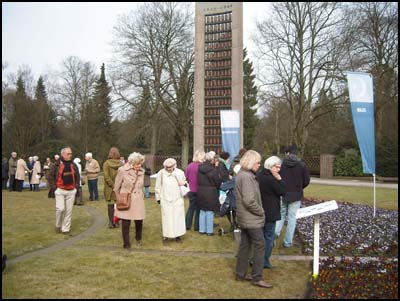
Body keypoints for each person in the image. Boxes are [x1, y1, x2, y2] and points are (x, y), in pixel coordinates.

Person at [234, 150, 272, 288]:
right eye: (257, 162)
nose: (259, 165)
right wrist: (261, 211)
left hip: (245, 217)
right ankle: (257, 277)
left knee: (245, 245)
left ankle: (240, 273)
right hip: (251, 218)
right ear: (250, 162)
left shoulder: (243, 174)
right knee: (260, 245)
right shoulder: (247, 177)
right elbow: (249, 200)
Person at [275, 145, 310, 248]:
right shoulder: (302, 165)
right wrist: (300, 187)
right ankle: (287, 242)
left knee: (281, 215)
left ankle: (274, 234)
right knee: (292, 218)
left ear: (287, 153)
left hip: (283, 193)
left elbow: (277, 178)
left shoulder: (281, 164)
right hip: (296, 195)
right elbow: (306, 181)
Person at [258, 156, 286, 269]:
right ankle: (264, 260)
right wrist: (279, 178)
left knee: (259, 237)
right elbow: (283, 191)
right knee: (269, 236)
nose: (279, 170)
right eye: (277, 167)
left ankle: (255, 259)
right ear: (271, 167)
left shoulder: (259, 175)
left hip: (259, 210)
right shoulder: (272, 179)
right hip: (270, 211)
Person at [114, 152, 146, 249]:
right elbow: (116, 187)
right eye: (137, 163)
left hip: (138, 199)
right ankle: (126, 243)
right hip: (126, 199)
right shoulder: (122, 170)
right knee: (126, 222)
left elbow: (141, 186)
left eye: (140, 163)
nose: (139, 165)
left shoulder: (142, 171)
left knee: (139, 220)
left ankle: (138, 238)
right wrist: (119, 198)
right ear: (132, 163)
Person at [155, 158, 186, 244]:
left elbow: (185, 182)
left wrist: (183, 183)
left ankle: (178, 236)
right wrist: (158, 198)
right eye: (167, 167)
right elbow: (158, 186)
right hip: (165, 199)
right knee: (167, 218)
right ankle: (166, 236)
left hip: (177, 199)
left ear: (174, 165)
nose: (169, 169)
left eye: (170, 167)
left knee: (178, 218)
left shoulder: (180, 172)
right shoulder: (161, 173)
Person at [50, 147, 80, 235]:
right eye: (68, 154)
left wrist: (76, 187)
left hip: (71, 190)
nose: (70, 155)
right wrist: (54, 187)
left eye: (71, 154)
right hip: (60, 190)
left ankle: (66, 229)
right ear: (62, 154)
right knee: (60, 209)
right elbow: (50, 176)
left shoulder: (73, 165)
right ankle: (58, 225)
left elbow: (77, 176)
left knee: (68, 211)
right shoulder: (57, 165)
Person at [196, 151, 223, 236]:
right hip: (211, 191)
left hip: (200, 190)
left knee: (202, 210)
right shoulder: (213, 169)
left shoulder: (199, 168)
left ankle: (202, 229)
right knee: (209, 211)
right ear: (212, 160)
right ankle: (209, 231)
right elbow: (217, 181)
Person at [184, 150, 205, 231]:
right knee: (199, 209)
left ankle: (187, 225)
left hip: (191, 190)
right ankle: (197, 226)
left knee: (191, 207)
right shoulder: (202, 166)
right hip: (199, 190)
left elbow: (187, 178)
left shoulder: (189, 166)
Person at [103, 147, 123, 228]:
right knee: (118, 205)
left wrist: (113, 185)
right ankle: (117, 222)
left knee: (110, 206)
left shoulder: (106, 163)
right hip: (120, 188)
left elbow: (106, 177)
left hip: (109, 188)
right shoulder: (121, 164)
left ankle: (111, 222)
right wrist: (117, 186)